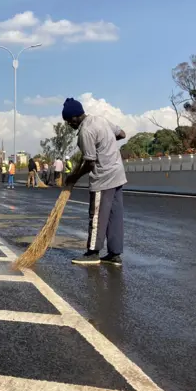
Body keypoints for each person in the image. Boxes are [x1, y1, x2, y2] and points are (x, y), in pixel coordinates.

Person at [63, 98, 127, 266]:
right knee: (114, 216)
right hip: (118, 173)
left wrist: (73, 178)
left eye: (69, 121)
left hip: (103, 178)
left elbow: (90, 162)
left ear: (75, 117)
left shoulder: (86, 131)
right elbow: (122, 134)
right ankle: (114, 253)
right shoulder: (100, 120)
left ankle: (93, 252)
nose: (69, 124)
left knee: (97, 215)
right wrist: (108, 145)